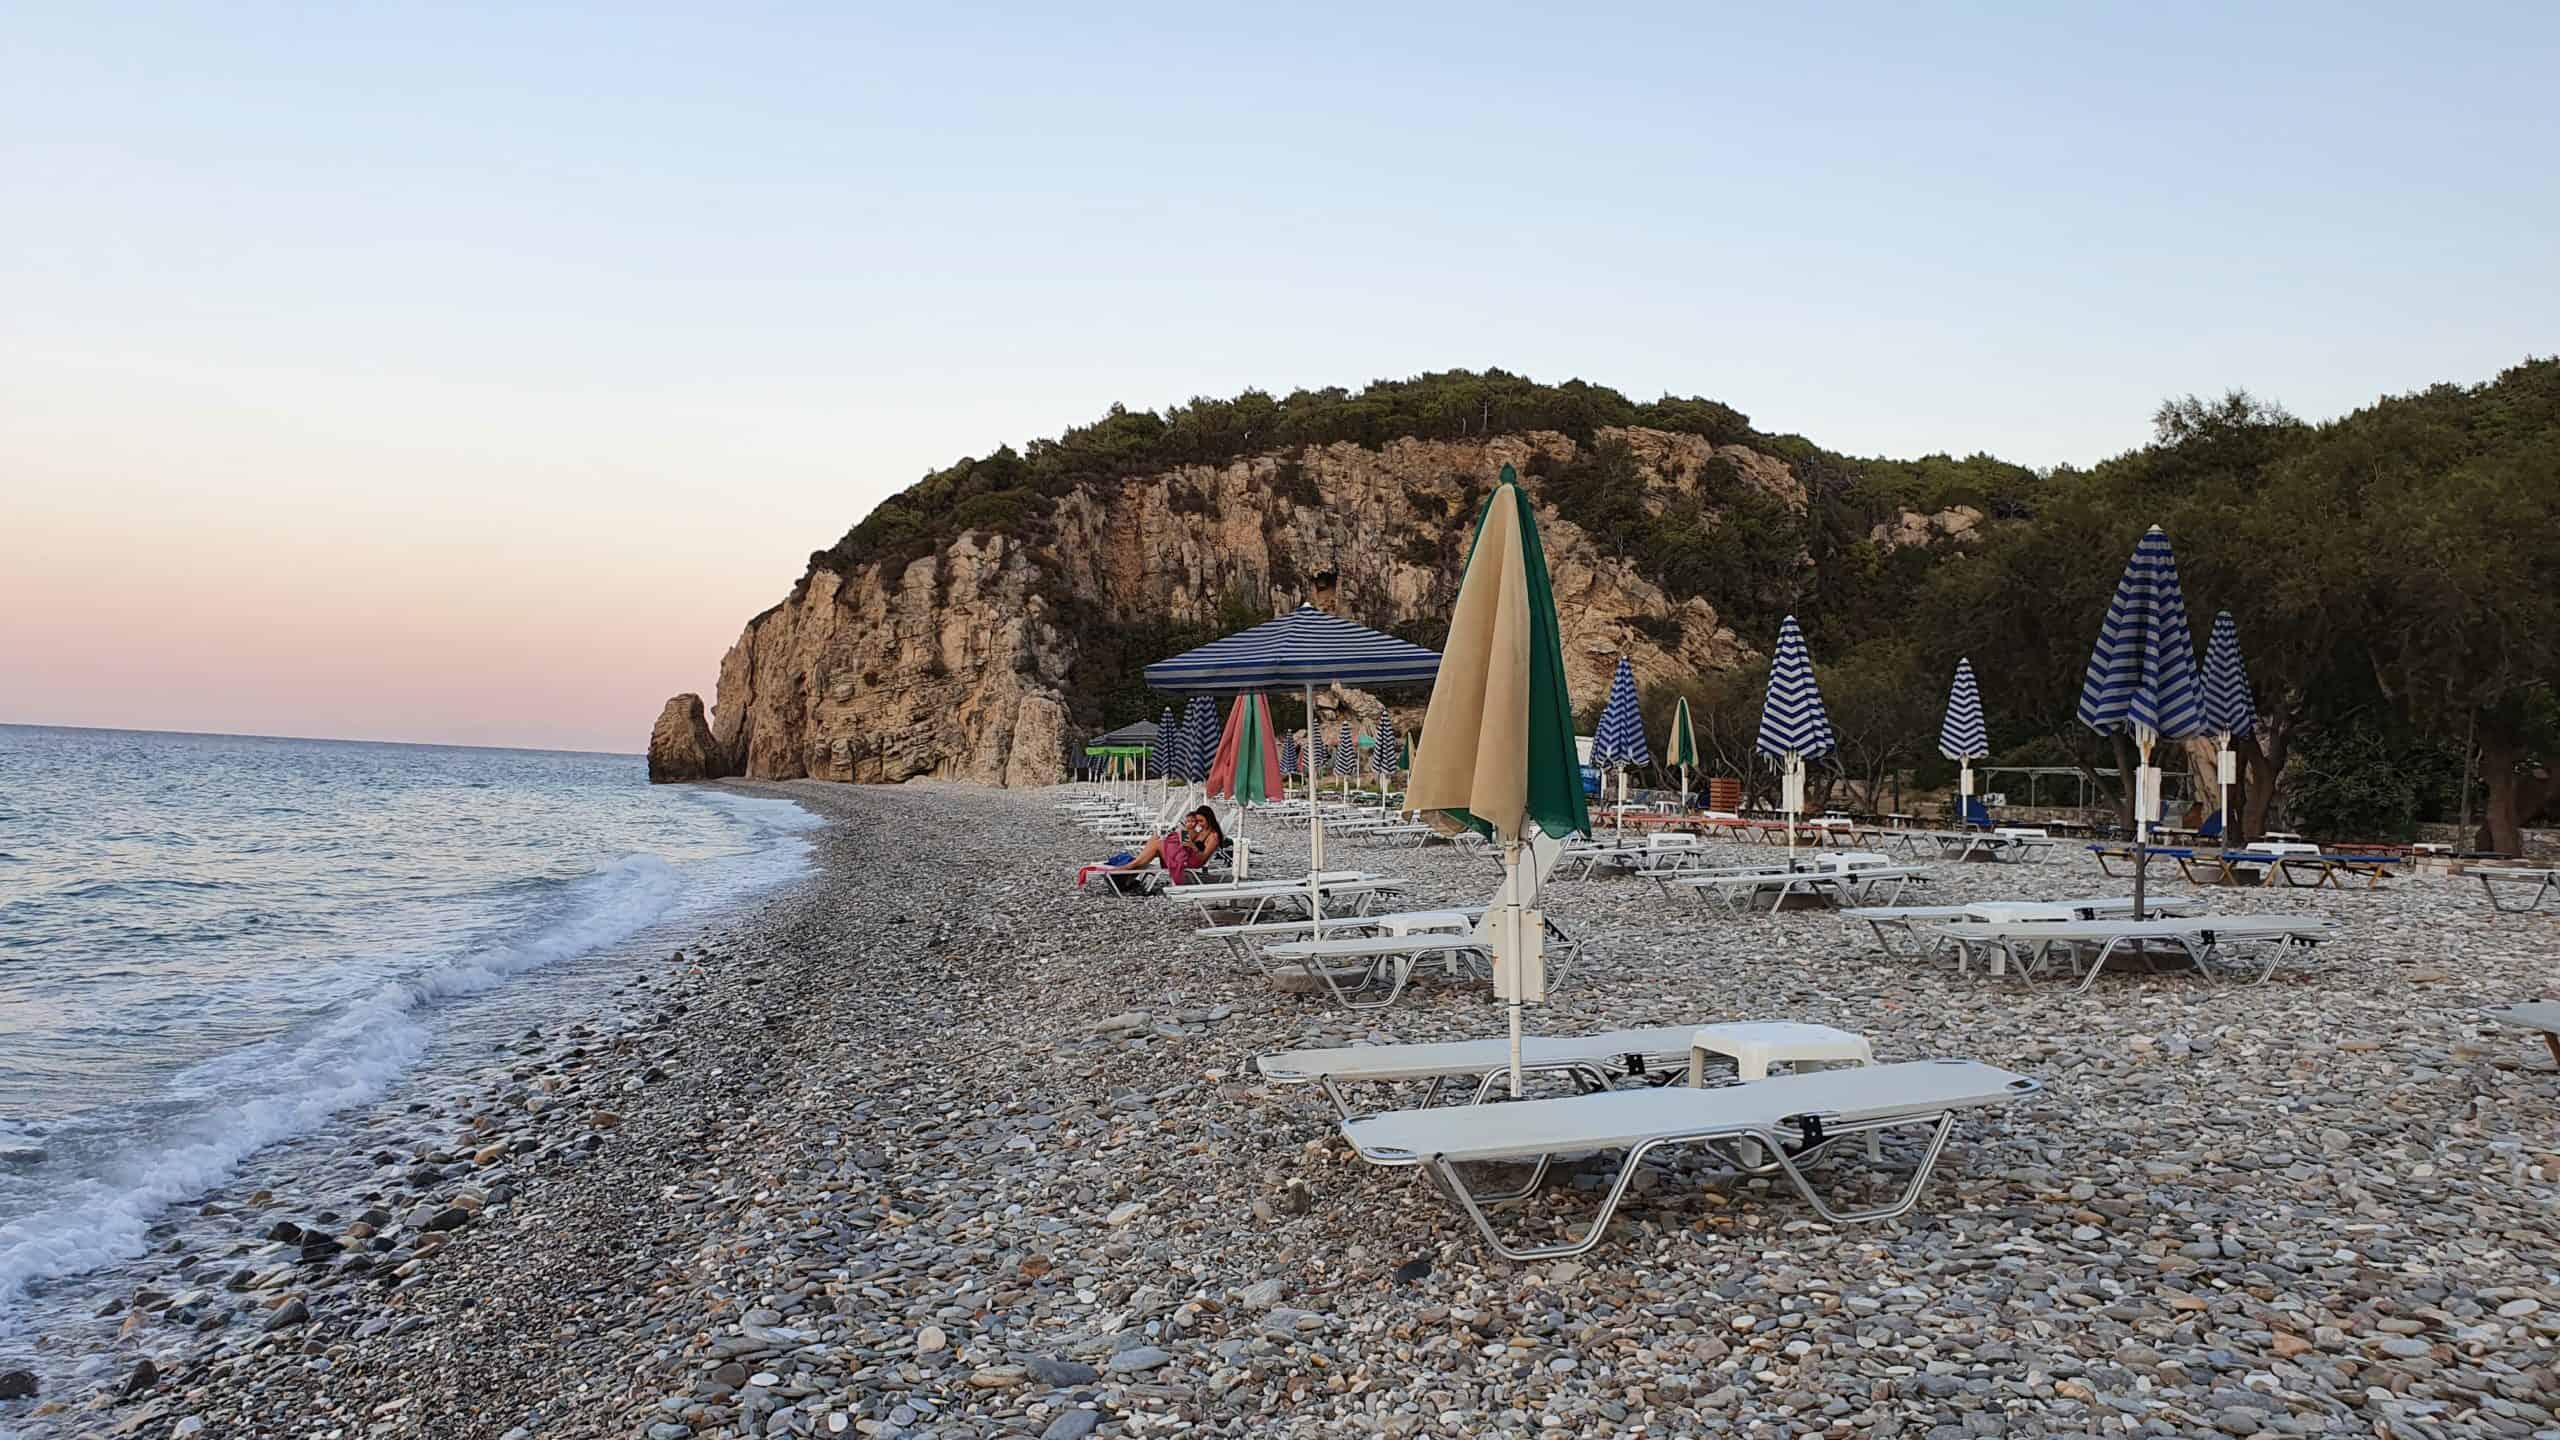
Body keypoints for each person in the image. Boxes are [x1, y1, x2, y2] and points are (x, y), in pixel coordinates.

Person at [1107, 806, 1226, 885]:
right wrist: (1185, 831)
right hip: (1187, 855)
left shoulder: (1213, 836)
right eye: (1197, 821)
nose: (1198, 824)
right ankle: (1130, 872)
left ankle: (1130, 868)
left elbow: (1203, 858)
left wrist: (1192, 846)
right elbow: (1185, 839)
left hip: (1194, 861)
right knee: (1156, 838)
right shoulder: (1200, 831)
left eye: (1201, 821)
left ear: (1209, 819)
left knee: (1158, 844)